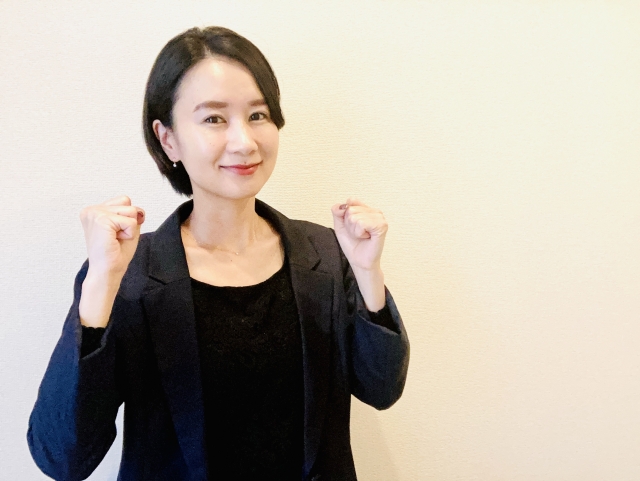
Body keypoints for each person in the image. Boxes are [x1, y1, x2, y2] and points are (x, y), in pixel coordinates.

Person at [27, 26, 409, 481]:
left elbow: (382, 389)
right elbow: (62, 458)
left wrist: (368, 273)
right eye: (213, 119)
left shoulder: (326, 254)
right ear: (168, 139)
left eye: (258, 115)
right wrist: (100, 287)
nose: (244, 142)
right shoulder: (127, 272)